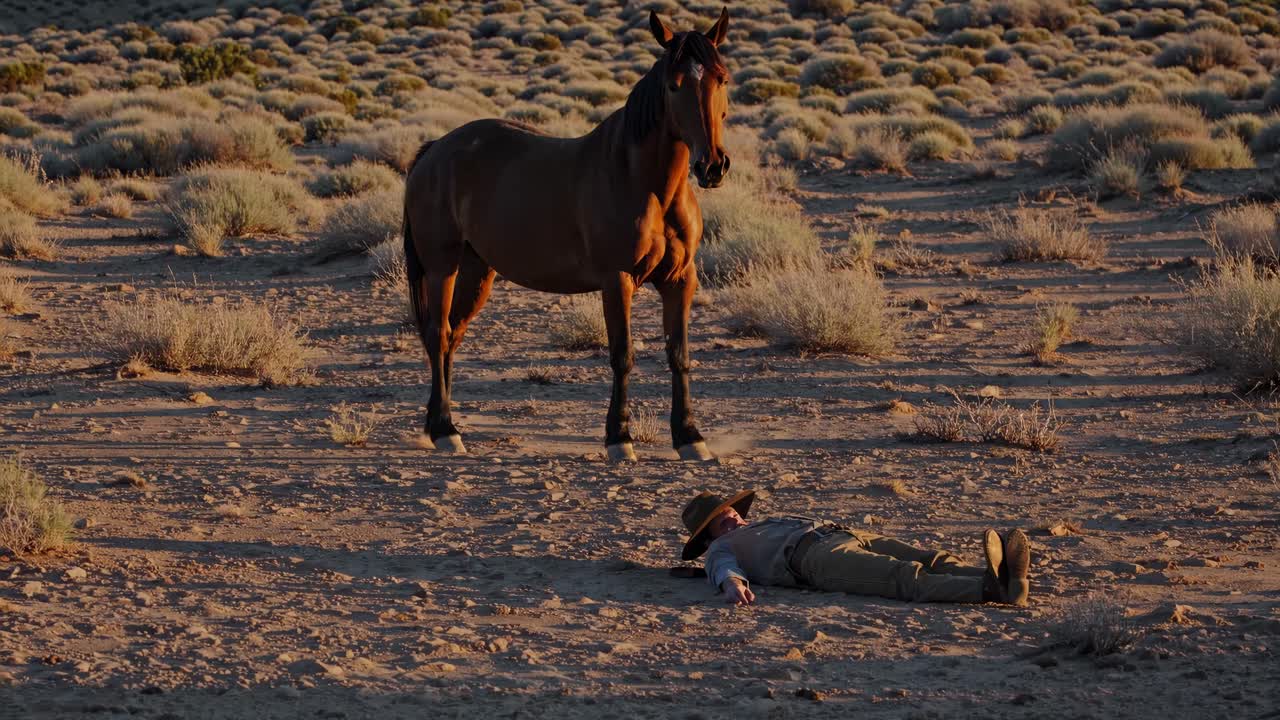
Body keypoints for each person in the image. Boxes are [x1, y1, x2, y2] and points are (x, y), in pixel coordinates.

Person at [680, 489, 1031, 606]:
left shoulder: (755, 524)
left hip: (840, 533)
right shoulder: (719, 549)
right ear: (709, 537)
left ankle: (995, 574)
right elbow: (723, 569)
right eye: (724, 522)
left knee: (929, 557)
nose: (735, 521)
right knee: (902, 576)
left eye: (733, 514)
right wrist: (732, 584)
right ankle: (988, 589)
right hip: (815, 559)